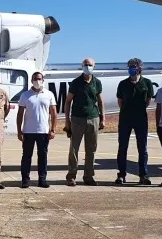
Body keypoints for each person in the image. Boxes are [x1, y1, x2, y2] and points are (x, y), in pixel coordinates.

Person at [64, 57, 104, 186]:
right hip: (77, 119)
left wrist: (102, 118)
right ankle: (71, 176)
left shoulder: (97, 83)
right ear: (82, 66)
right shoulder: (76, 82)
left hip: (93, 118)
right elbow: (68, 101)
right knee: (74, 149)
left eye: (90, 65)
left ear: (94, 66)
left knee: (91, 149)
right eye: (85, 64)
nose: (88, 67)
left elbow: (100, 101)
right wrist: (67, 121)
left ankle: (88, 176)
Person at [115, 58, 154, 185]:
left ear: (140, 68)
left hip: (140, 118)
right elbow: (120, 101)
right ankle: (121, 174)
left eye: (134, 66)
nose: (131, 69)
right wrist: (127, 110)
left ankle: (143, 174)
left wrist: (139, 110)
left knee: (142, 147)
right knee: (122, 147)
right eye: (130, 66)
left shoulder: (147, 83)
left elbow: (148, 100)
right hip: (125, 118)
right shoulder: (123, 84)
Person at [16, 71, 57, 188]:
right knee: (26, 156)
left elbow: (54, 113)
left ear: (43, 80)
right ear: (31, 81)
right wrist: (19, 131)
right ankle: (25, 180)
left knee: (43, 156)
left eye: (39, 79)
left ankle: (42, 179)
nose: (37, 81)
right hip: (28, 131)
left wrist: (53, 129)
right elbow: (20, 114)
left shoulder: (49, 94)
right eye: (35, 79)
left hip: (43, 131)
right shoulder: (25, 95)